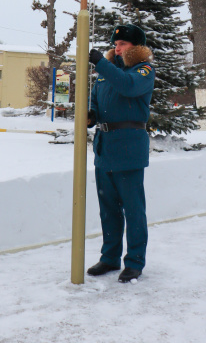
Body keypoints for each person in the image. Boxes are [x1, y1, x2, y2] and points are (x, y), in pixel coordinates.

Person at [86, 23, 155, 283]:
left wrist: (102, 65)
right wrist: (91, 115)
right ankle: (109, 257)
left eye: (123, 44)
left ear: (135, 47)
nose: (117, 48)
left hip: (128, 149)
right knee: (108, 210)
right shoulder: (107, 72)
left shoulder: (143, 70)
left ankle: (135, 261)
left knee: (133, 210)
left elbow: (127, 86)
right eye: (115, 44)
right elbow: (96, 97)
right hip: (105, 148)